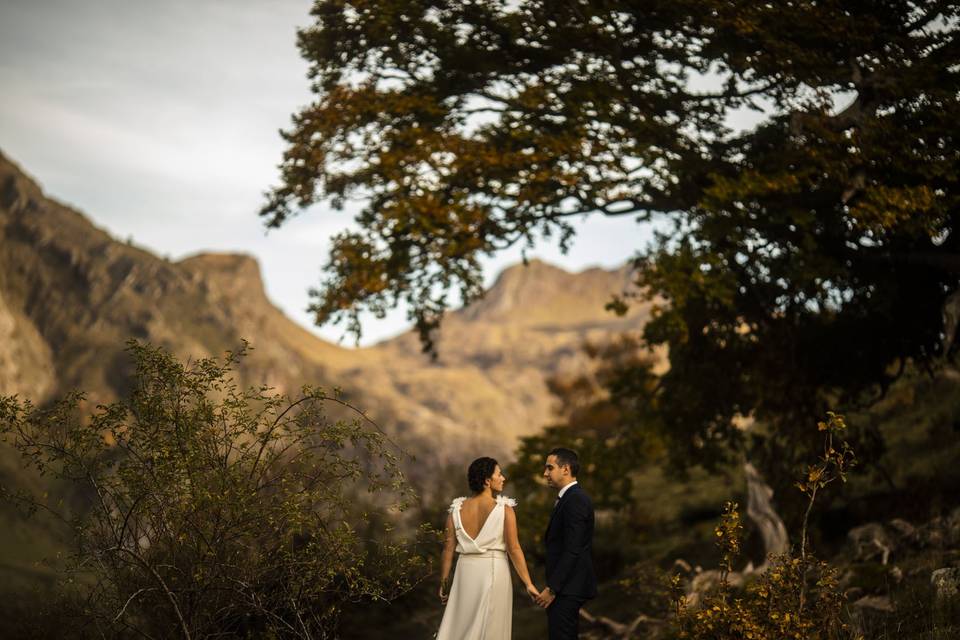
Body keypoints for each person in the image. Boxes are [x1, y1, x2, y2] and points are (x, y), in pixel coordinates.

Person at [436, 457, 540, 640]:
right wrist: (528, 583)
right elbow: (514, 548)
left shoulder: (455, 510)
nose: (503, 478)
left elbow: (448, 549)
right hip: (493, 570)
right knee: (491, 627)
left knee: (461, 625)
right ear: (487, 480)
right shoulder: (504, 509)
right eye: (499, 474)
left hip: (464, 574)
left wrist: (444, 583)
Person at [534, 447, 597, 640]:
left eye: (549, 468)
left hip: (568, 588)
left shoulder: (575, 499)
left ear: (566, 469)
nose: (545, 473)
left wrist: (552, 588)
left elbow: (573, 549)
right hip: (567, 586)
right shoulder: (568, 498)